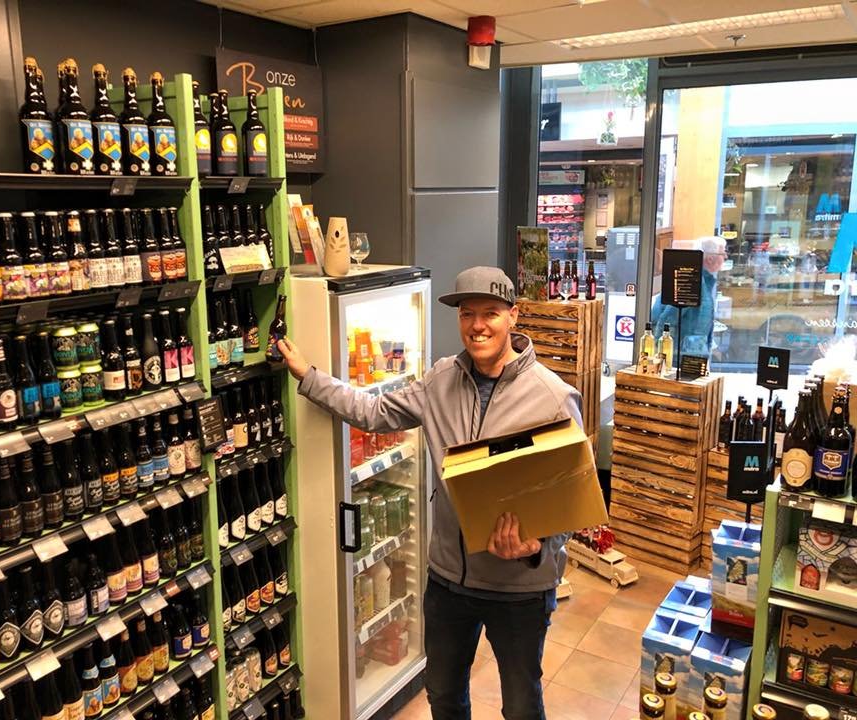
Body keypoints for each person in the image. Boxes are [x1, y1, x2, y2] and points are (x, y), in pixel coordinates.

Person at [277, 266, 582, 720]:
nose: (477, 325)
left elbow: (573, 499)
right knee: (443, 695)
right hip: (448, 580)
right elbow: (373, 411)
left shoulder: (553, 396)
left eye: (490, 313)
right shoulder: (441, 380)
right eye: (467, 314)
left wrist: (538, 547)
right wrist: (308, 375)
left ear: (513, 316)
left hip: (519, 588)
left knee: (520, 705)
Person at [650, 236, 728, 358]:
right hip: (680, 356)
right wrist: (661, 356)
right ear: (710, 259)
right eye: (722, 253)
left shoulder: (704, 281)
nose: (726, 257)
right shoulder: (692, 280)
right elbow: (667, 320)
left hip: (690, 354)